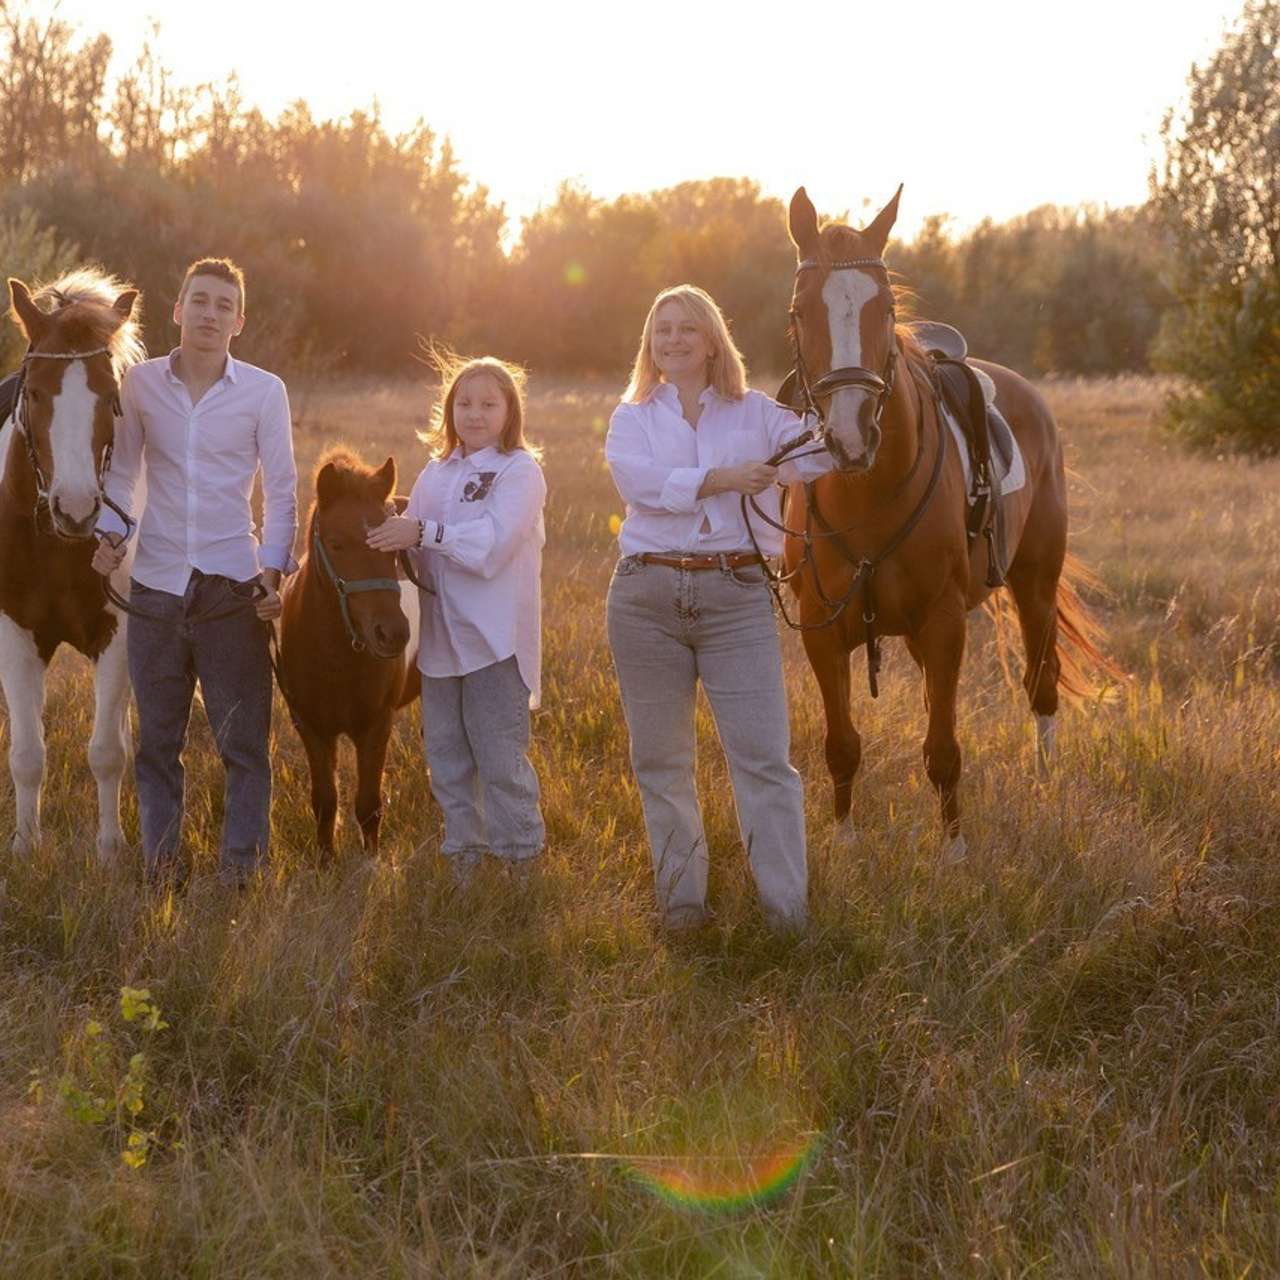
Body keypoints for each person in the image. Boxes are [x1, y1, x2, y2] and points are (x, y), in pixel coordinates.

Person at [604, 284, 832, 933]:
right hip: (645, 596)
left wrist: (825, 402)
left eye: (686, 328)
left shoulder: (757, 412)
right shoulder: (631, 418)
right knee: (661, 763)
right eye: (662, 330)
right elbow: (640, 486)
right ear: (651, 344)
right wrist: (724, 479)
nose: (672, 340)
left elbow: (822, 453)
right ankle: (683, 910)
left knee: (764, 760)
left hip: (735, 595)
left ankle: (786, 916)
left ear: (711, 342)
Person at [93, 258, 297, 888]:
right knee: (157, 744)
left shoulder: (265, 391)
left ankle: (241, 872)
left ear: (239, 321)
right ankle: (162, 870)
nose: (210, 313)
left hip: (232, 587)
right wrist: (110, 533)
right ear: (178, 310)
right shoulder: (140, 385)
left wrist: (272, 574)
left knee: (243, 744)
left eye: (223, 305)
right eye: (200, 301)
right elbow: (122, 473)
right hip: (155, 585)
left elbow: (283, 493)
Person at [366, 351, 546, 884]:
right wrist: (386, 526)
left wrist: (422, 531)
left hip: (495, 642)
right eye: (464, 403)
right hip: (440, 645)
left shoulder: (520, 471)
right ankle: (465, 865)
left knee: (500, 762)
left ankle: (519, 869)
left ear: (510, 411)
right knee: (447, 759)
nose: (474, 414)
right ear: (449, 411)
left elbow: (492, 547)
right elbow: (416, 548)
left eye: (488, 404)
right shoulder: (436, 472)